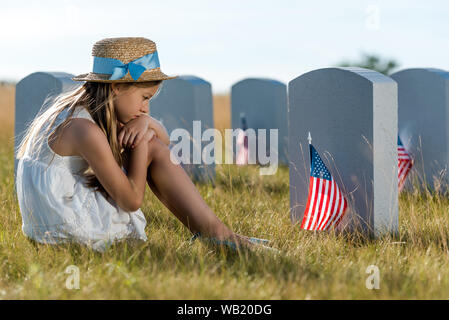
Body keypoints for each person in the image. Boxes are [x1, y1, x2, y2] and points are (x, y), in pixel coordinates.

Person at [15, 37, 271, 252]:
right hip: (61, 223)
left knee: (153, 144)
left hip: (45, 216)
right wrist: (143, 145)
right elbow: (131, 201)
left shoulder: (80, 110)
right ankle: (218, 235)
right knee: (151, 146)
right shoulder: (85, 130)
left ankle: (215, 233)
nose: (146, 107)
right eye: (145, 98)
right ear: (116, 87)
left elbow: (165, 142)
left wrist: (148, 123)